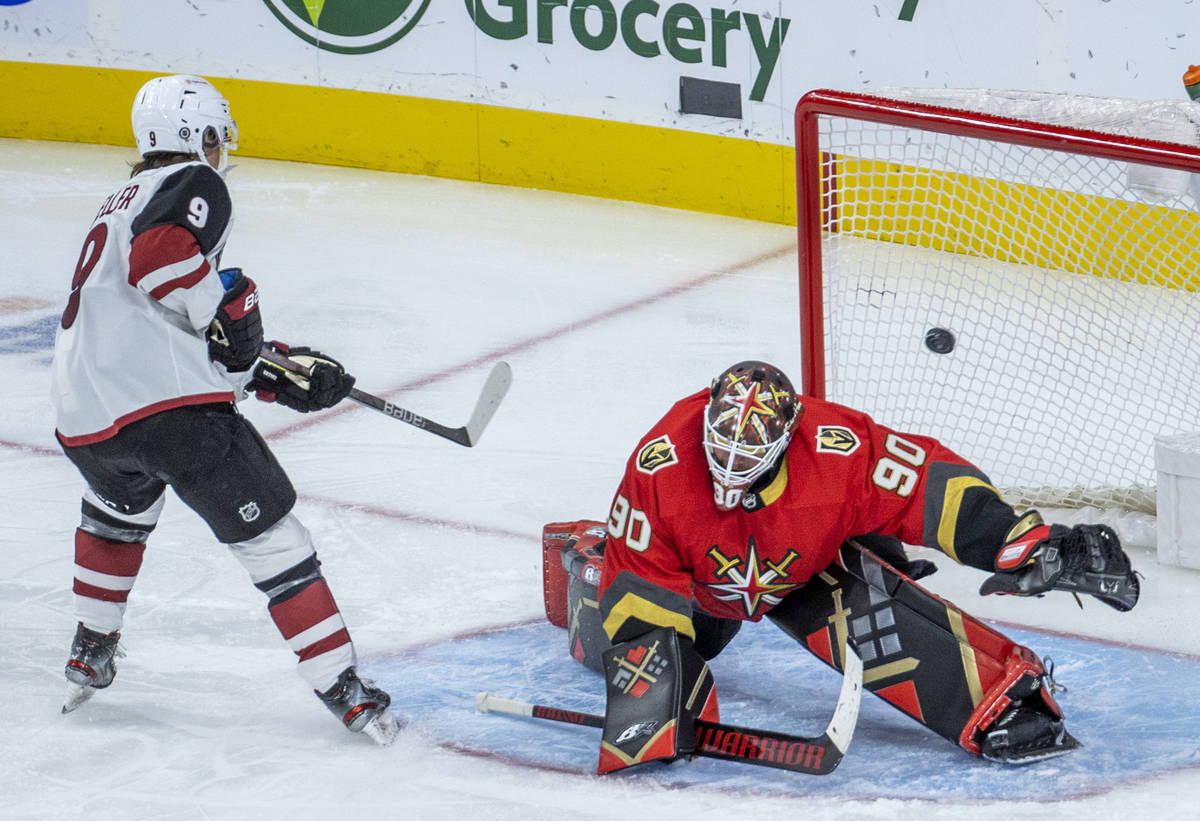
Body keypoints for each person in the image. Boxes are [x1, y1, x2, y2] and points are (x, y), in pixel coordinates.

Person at [541, 360, 1139, 772]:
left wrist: (1014, 537)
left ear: (787, 438)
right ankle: (586, 558)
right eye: (721, 448)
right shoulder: (662, 462)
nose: (730, 467)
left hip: (804, 563)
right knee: (644, 649)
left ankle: (999, 700)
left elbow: (924, 484)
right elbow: (639, 580)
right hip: (700, 585)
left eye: (749, 454)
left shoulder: (836, 448)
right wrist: (655, 691)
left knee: (869, 600)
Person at [50, 74, 397, 745]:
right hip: (167, 415)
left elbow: (158, 326)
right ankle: (344, 689)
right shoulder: (191, 181)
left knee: (116, 517)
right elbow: (162, 262)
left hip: (83, 420)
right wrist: (230, 321)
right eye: (215, 136)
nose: (220, 151)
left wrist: (266, 367)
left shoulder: (117, 203)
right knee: (278, 547)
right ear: (195, 135)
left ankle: (90, 648)